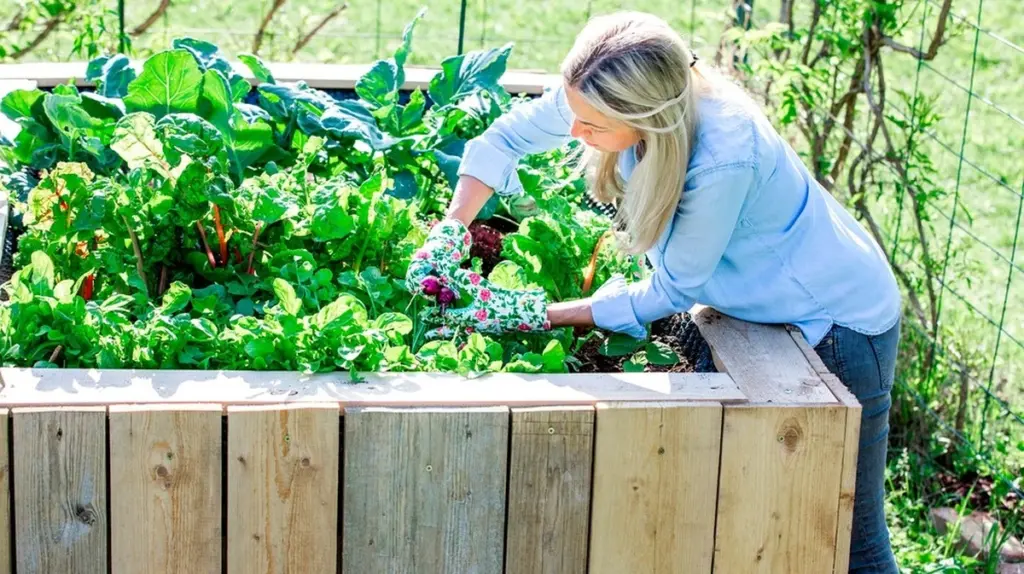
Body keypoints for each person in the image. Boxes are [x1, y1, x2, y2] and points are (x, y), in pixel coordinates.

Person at [405, 10, 903, 573]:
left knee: (848, 542)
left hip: (836, 324)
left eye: (592, 126)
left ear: (647, 116)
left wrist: (533, 313)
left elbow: (673, 287)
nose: (574, 132)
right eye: (574, 113)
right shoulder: (601, 88)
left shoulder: (723, 154)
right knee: (767, 525)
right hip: (766, 306)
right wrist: (451, 229)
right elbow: (506, 139)